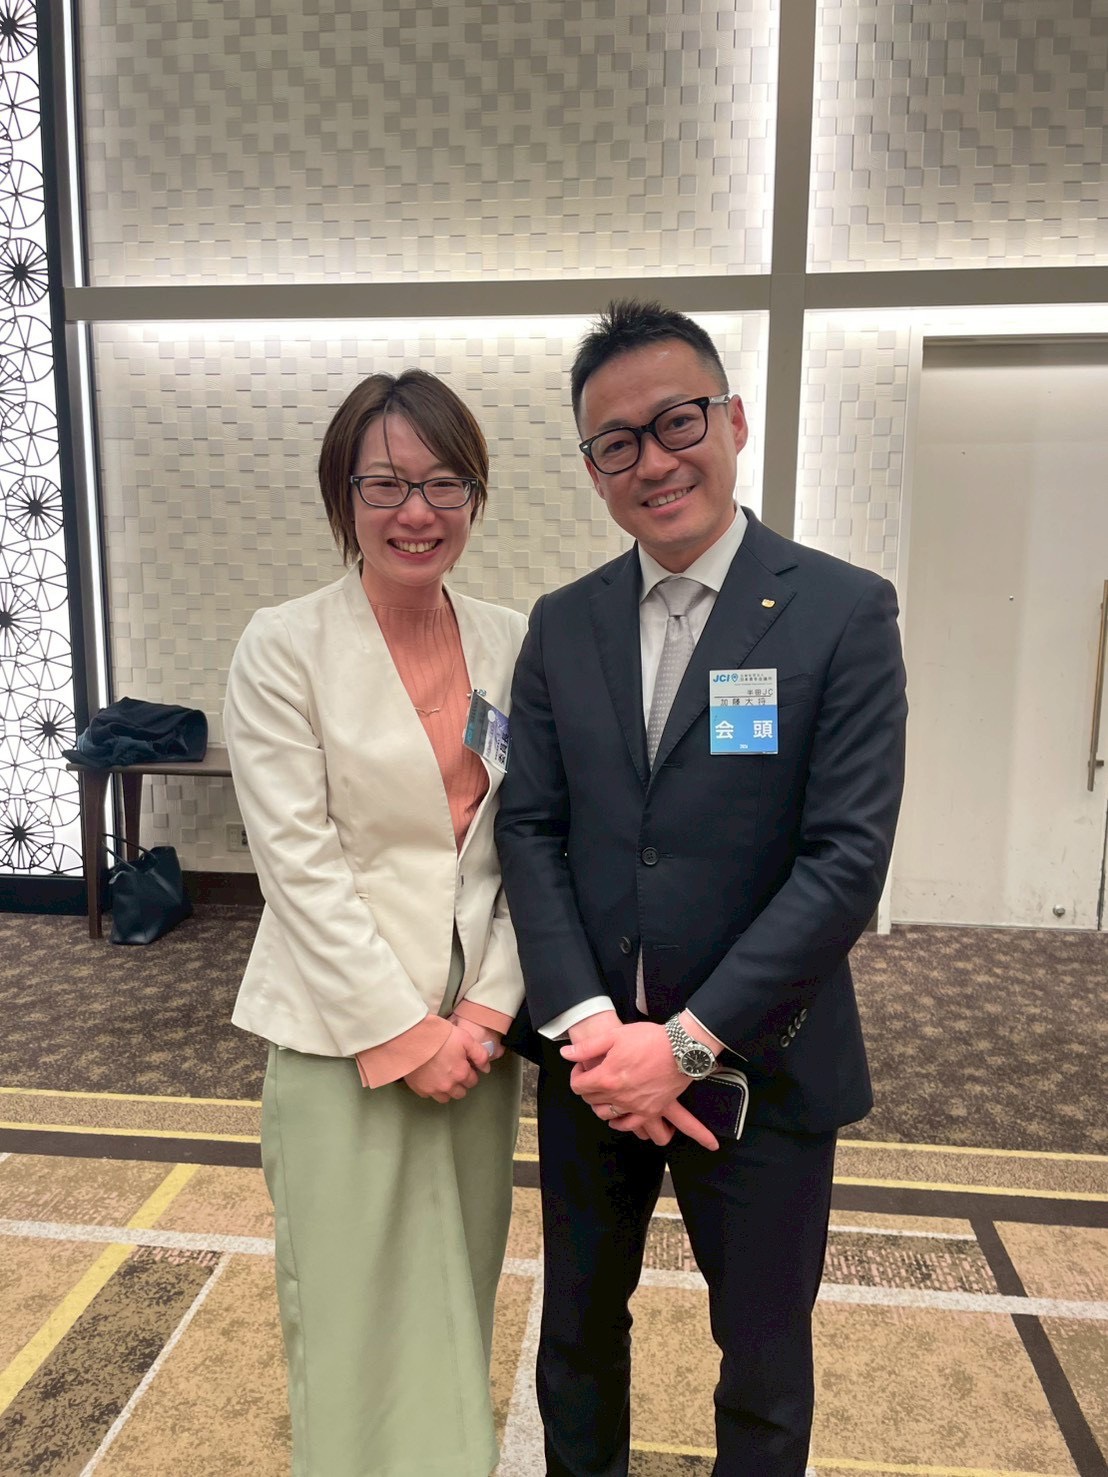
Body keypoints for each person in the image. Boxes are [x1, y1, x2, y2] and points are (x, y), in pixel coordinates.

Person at [495, 300, 907, 1477]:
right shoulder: (562, 624)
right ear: (592, 468)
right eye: (614, 443)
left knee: (763, 1364)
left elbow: (844, 860)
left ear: (731, 421)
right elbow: (530, 827)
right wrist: (591, 1030)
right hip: (590, 1071)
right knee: (576, 1337)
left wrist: (682, 1043)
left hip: (763, 1066)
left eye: (676, 422)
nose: (652, 460)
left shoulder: (840, 609)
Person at [224, 369, 526, 1477]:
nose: (416, 511)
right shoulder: (284, 644)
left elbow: (530, 843)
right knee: (352, 1309)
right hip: (340, 1034)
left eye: (444, 483)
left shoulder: (510, 639)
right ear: (342, 495)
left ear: (474, 496)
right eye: (386, 483)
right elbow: (295, 864)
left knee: (457, 1288)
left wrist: (487, 1008)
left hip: (477, 1037)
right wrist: (401, 1033)